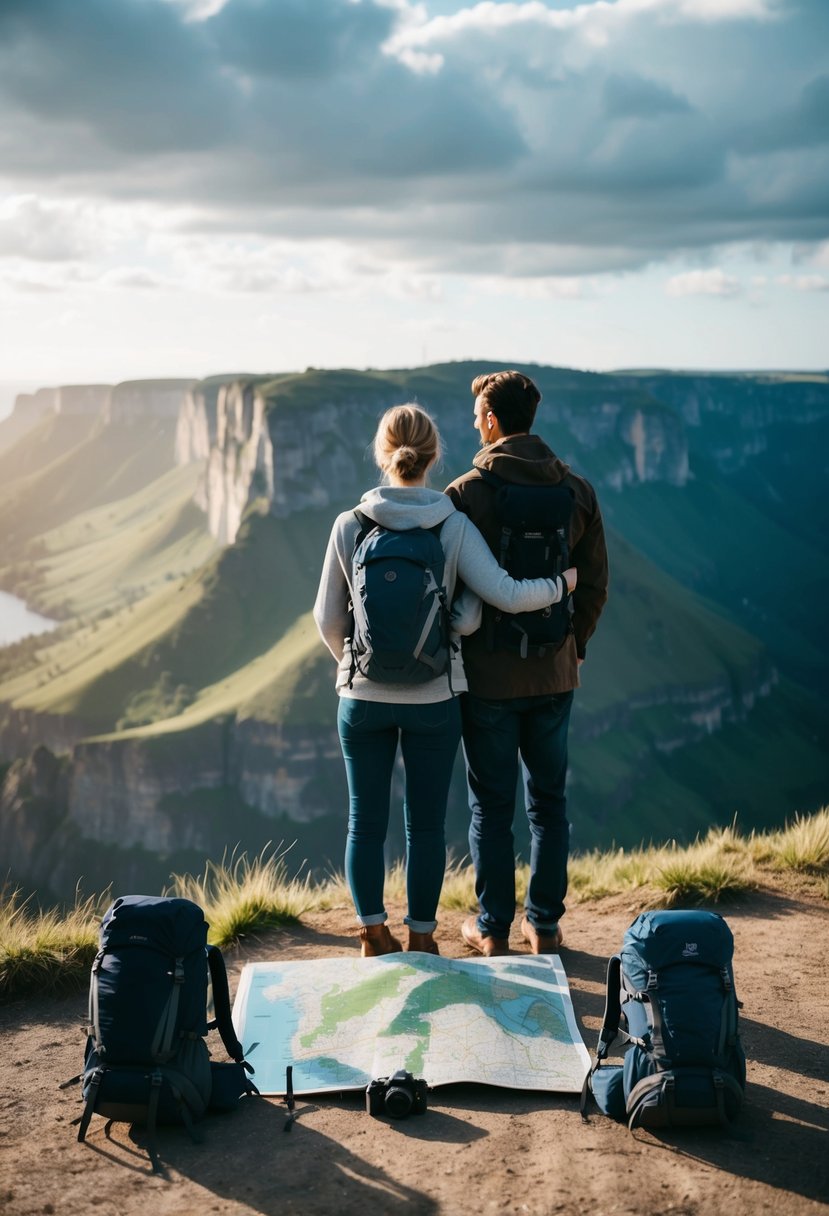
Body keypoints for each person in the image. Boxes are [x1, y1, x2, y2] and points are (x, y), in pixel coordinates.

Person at [313, 403, 577, 958]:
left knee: (365, 820)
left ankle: (371, 933)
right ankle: (422, 935)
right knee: (425, 825)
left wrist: (355, 662)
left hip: (360, 698)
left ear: (383, 454)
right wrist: (562, 583)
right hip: (434, 698)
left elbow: (327, 618)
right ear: (434, 456)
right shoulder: (451, 525)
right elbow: (502, 595)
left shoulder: (350, 525)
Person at [445, 370, 609, 957]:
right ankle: (542, 925)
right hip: (555, 673)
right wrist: (574, 646)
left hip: (488, 680)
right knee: (549, 804)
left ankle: (491, 928)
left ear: (492, 420)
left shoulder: (464, 495)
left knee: (491, 806)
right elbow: (593, 586)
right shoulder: (578, 491)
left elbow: (446, 590)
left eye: (476, 417)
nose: (474, 426)